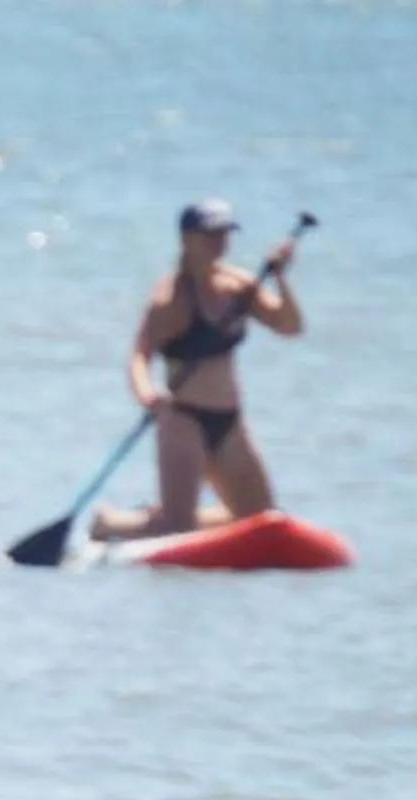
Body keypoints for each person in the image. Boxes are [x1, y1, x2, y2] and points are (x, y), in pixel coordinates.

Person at [89, 199, 305, 543]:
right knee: (178, 529)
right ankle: (110, 524)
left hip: (230, 421)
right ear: (187, 239)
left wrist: (280, 278)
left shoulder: (239, 286)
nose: (219, 243)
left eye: (224, 234)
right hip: (183, 420)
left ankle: (151, 517)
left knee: (264, 519)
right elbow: (139, 355)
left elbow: (290, 326)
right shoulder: (169, 300)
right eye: (210, 235)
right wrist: (148, 396)